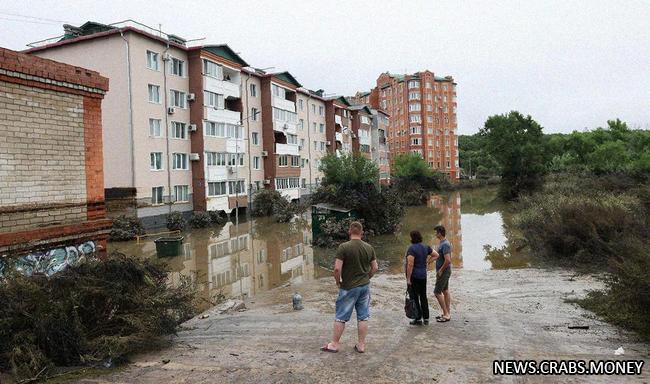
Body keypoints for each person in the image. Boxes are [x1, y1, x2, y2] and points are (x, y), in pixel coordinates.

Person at [321, 221, 378, 353]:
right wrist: (367, 277)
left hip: (348, 287)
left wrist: (338, 282)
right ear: (362, 233)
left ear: (349, 232)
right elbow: (375, 267)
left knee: (341, 316)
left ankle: (334, 344)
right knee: (363, 316)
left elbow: (336, 269)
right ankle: (361, 345)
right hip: (364, 287)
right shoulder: (369, 247)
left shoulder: (343, 247)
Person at [405, 230, 435, 325]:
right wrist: (427, 262)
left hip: (415, 276)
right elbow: (436, 255)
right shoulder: (426, 247)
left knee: (414, 297)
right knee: (423, 296)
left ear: (412, 238)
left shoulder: (411, 249)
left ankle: (417, 318)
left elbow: (410, 264)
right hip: (423, 276)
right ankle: (426, 318)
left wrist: (408, 279)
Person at [433, 225, 452, 322]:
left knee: (436, 292)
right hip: (445, 271)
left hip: (444, 271)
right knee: (445, 290)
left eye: (436, 232)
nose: (435, 234)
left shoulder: (445, 244)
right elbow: (439, 257)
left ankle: (446, 314)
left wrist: (440, 270)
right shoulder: (442, 243)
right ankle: (447, 312)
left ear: (440, 233)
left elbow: (448, 260)